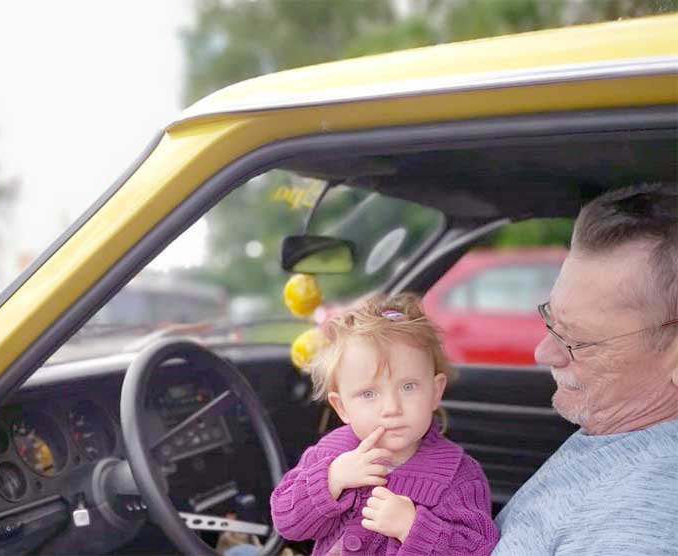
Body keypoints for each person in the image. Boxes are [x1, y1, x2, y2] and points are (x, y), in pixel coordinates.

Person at [493, 182, 678, 555]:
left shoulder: (640, 523)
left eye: (578, 341)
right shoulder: (620, 428)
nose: (543, 353)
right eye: (551, 319)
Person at [271, 293, 498, 556]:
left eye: (408, 387)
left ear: (435, 392)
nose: (391, 408)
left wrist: (413, 527)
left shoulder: (459, 476)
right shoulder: (331, 455)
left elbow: (478, 548)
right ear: (342, 407)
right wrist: (331, 480)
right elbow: (286, 522)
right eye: (369, 394)